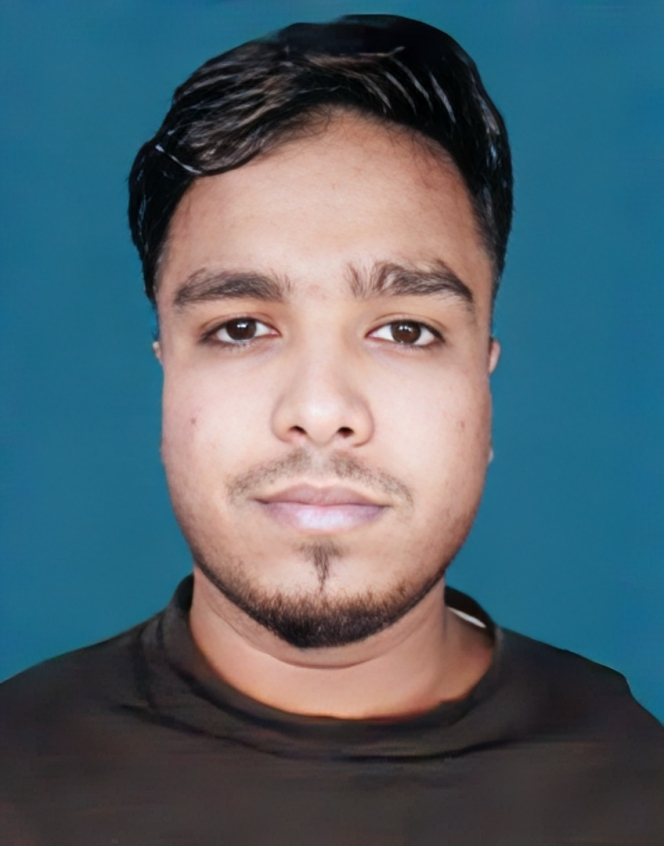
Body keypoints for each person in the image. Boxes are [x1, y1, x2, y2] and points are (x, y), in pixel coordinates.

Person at [1, 14, 662, 845]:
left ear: (483, 379)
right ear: (167, 371)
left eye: (406, 330)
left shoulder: (635, 784)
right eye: (241, 328)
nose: (320, 410)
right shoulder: (15, 778)